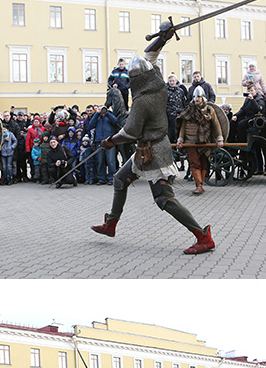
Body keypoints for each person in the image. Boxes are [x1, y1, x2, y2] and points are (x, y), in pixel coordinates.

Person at [91, 24, 216, 256]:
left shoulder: (143, 101)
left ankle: (203, 236)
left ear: (134, 80)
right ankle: (111, 224)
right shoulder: (156, 81)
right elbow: (151, 54)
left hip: (154, 153)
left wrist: (110, 141)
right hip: (145, 151)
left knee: (164, 199)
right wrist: (164, 38)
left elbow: (129, 133)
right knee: (120, 179)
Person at [176, 87, 224, 194]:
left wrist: (219, 138)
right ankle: (198, 185)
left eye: (199, 96)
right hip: (190, 142)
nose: (196, 98)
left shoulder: (209, 110)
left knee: (204, 163)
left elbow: (216, 124)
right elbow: (183, 127)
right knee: (194, 163)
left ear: (203, 97)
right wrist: (180, 139)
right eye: (194, 96)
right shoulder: (188, 110)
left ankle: (200, 184)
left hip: (205, 141)